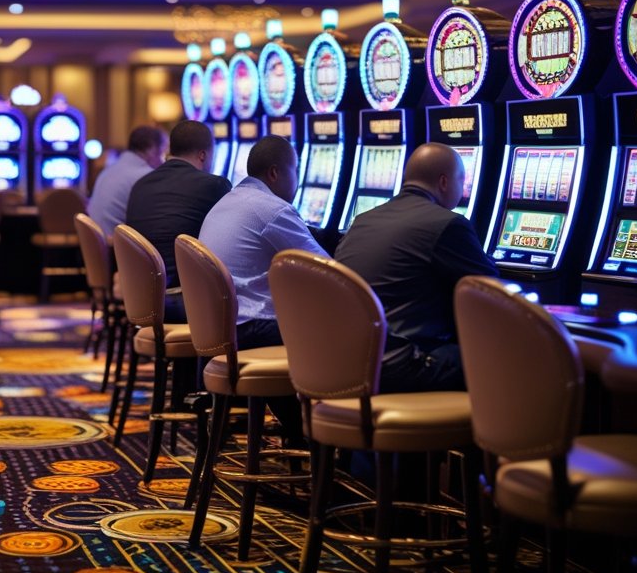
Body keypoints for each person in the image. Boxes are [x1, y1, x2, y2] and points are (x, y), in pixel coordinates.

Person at [335, 142, 499, 393]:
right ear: (444, 182)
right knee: (505, 354)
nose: (464, 190)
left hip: (349, 361)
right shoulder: (447, 224)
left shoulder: (362, 221)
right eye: (462, 181)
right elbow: (492, 291)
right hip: (402, 366)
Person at [198, 135, 322, 444]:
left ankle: (304, 434)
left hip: (220, 330)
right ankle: (321, 439)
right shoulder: (273, 210)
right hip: (251, 329)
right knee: (340, 336)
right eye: (296, 170)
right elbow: (327, 272)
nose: (299, 180)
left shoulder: (226, 201)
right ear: (276, 173)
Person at [125, 120, 230, 321]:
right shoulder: (214, 186)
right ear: (203, 155)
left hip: (141, 298)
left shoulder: (141, 185)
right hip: (186, 302)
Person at [87, 125, 167, 236]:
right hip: (116, 248)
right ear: (152, 150)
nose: (164, 161)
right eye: (163, 153)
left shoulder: (108, 170)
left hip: (99, 245)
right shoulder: (146, 177)